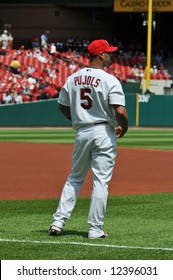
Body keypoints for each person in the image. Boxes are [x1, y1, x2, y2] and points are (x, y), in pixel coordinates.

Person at [49, 39, 128, 239]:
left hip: (82, 131)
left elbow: (62, 105)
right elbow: (120, 110)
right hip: (103, 132)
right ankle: (94, 229)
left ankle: (58, 222)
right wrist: (124, 126)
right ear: (101, 55)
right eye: (109, 52)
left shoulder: (73, 78)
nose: (111, 55)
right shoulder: (110, 80)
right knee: (101, 181)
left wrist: (75, 117)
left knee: (75, 177)